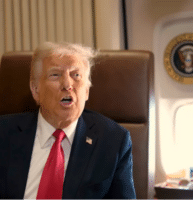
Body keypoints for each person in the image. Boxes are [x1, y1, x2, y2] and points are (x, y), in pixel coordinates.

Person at [0, 42, 136, 199]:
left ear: (86, 91)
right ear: (35, 89)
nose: (67, 84)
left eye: (76, 75)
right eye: (55, 75)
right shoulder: (3, 134)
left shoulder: (112, 141)